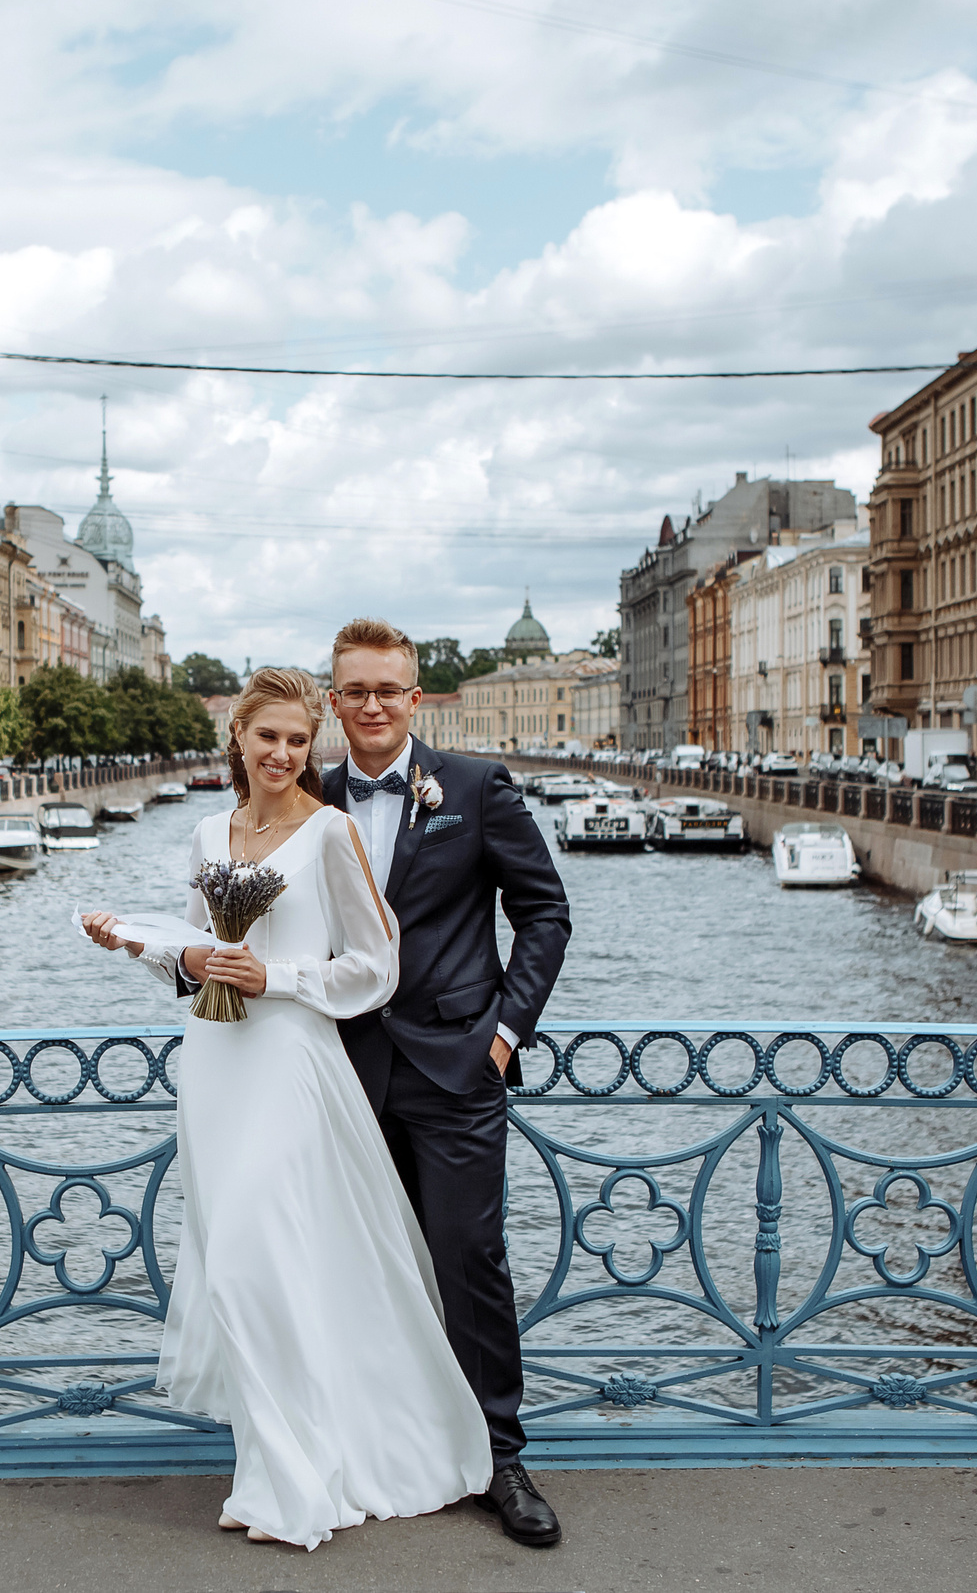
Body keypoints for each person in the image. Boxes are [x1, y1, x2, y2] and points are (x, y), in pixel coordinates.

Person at [81, 667, 489, 1550]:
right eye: (267, 736)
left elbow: (377, 966)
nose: (281, 753)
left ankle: (304, 1479)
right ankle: (266, 1467)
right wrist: (146, 947)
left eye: (298, 740)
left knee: (261, 1262)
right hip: (217, 1063)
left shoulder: (330, 831)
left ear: (314, 746)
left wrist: (282, 977)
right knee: (232, 1267)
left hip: (292, 1062)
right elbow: (196, 945)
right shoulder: (206, 831)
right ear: (239, 736)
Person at [312, 617, 572, 1548]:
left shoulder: (473, 787)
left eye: (389, 689)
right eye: (355, 689)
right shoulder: (307, 793)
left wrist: (504, 1035)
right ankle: (372, 1447)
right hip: (338, 1071)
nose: (373, 704)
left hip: (457, 1068)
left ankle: (499, 1456)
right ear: (333, 698)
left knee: (469, 1261)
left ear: (415, 699)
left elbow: (544, 911)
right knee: (351, 1265)